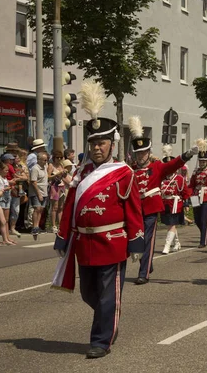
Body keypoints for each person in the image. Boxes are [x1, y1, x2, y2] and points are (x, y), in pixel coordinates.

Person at [52, 82, 144, 359]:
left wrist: (137, 241)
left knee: (106, 295)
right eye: (92, 143)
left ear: (111, 144)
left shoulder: (123, 173)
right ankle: (110, 314)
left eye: (101, 142)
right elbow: (71, 206)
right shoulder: (81, 174)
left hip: (112, 242)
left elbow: (133, 209)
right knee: (88, 293)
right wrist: (63, 235)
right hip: (84, 243)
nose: (96, 148)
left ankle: (101, 340)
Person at [128, 116, 196, 285]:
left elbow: (172, 165)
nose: (140, 156)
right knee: (136, 239)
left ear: (149, 153)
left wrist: (186, 155)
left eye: (143, 153)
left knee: (147, 240)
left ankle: (143, 273)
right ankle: (147, 262)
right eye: (138, 153)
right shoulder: (130, 169)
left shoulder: (156, 167)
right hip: (135, 208)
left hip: (150, 207)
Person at [160, 146, 188, 254]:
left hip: (175, 203)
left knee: (172, 223)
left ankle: (167, 246)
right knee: (170, 225)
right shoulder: (162, 178)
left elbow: (185, 192)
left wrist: (186, 204)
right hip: (164, 202)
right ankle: (177, 243)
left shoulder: (179, 178)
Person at [190, 140, 207, 249]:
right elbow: (191, 184)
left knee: (204, 219)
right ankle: (205, 233)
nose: (201, 163)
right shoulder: (196, 172)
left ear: (206, 161)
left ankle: (203, 241)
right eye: (200, 162)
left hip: (206, 196)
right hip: (196, 196)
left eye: (203, 162)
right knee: (197, 219)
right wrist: (190, 195)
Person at [48, 150, 67, 233]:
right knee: (54, 207)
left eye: (60, 157)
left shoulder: (61, 165)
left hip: (62, 186)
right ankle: (53, 225)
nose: (59, 159)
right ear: (54, 158)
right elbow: (48, 177)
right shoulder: (51, 165)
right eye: (57, 157)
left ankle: (60, 224)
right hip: (54, 186)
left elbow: (64, 177)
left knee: (61, 207)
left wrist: (65, 173)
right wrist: (57, 173)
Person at [30, 152, 49, 236]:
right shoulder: (35, 168)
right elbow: (33, 182)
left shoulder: (44, 167)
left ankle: (37, 226)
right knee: (37, 208)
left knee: (41, 209)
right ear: (39, 160)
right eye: (44, 160)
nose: (46, 161)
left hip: (44, 191)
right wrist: (39, 194)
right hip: (37, 192)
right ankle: (34, 227)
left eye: (46, 160)